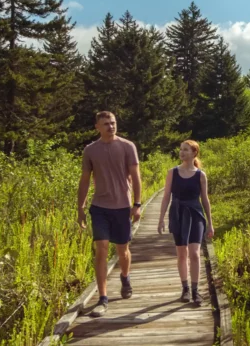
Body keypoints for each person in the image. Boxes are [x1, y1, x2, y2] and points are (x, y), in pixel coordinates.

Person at [77, 111, 142, 317]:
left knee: (123, 251)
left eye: (113, 123)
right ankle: (102, 298)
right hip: (100, 207)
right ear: (97, 127)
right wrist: (80, 207)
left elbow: (136, 176)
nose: (110, 126)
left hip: (122, 206)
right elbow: (85, 179)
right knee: (102, 248)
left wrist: (137, 204)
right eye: (105, 124)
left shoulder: (127, 146)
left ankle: (125, 276)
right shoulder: (90, 150)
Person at [158, 140, 214, 305]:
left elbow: (205, 199)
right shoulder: (172, 172)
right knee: (182, 253)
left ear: (194, 153)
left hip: (196, 214)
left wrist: (210, 222)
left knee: (195, 253)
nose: (182, 152)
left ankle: (196, 291)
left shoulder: (200, 175)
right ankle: (185, 289)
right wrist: (161, 219)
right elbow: (166, 196)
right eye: (181, 149)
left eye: (186, 150)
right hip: (177, 213)